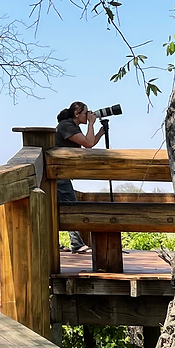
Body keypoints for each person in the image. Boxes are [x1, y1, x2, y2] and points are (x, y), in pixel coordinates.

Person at [55, 101, 106, 256]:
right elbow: (88, 144)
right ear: (77, 113)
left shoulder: (72, 127)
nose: (89, 115)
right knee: (71, 205)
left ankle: (55, 243)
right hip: (57, 173)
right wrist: (92, 124)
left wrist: (101, 132)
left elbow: (88, 143)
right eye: (86, 113)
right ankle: (76, 244)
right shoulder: (66, 126)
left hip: (60, 173)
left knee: (55, 208)